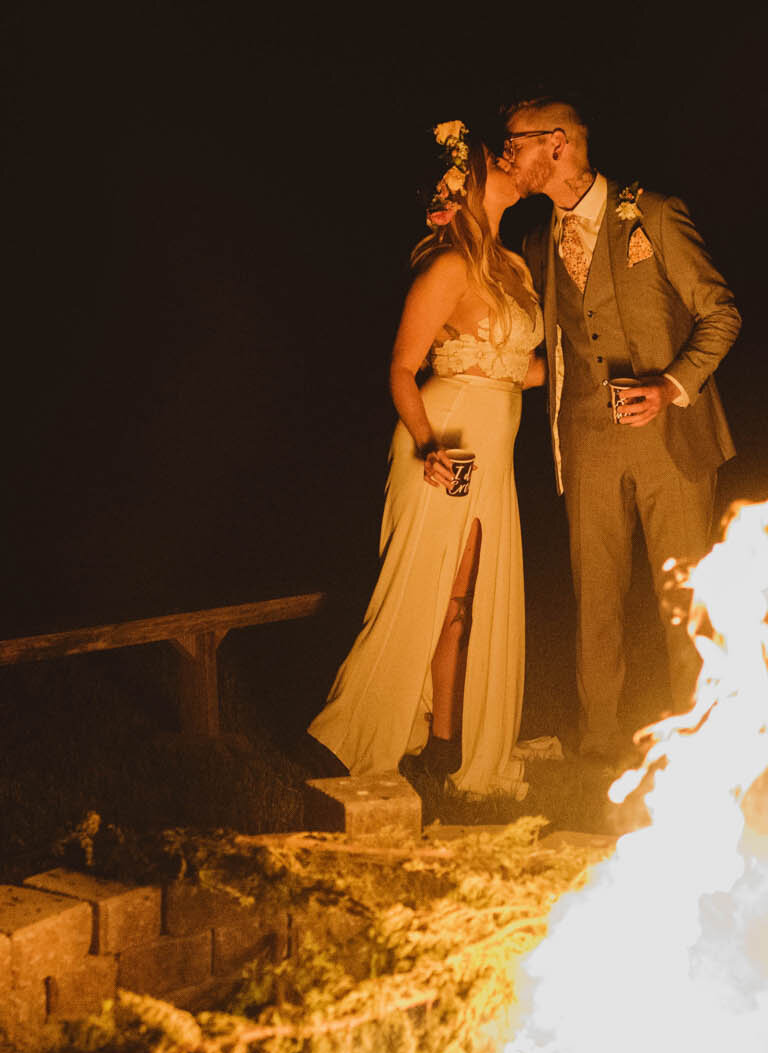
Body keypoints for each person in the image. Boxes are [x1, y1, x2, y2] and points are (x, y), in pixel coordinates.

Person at [497, 98, 740, 766]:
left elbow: (721, 314)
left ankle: (700, 742)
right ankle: (598, 739)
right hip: (586, 438)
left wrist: (670, 385)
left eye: (513, 143)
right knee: (593, 596)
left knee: (683, 598)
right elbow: (563, 344)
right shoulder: (536, 241)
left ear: (557, 144)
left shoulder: (654, 213)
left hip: (672, 437)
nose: (506, 156)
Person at [309, 121, 544, 797]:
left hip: (494, 441)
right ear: (466, 181)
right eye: (493, 162)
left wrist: (576, 361)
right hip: (450, 437)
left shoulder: (514, 265)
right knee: (427, 588)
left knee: (464, 597)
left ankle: (443, 741)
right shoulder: (448, 265)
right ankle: (356, 730)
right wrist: (428, 444)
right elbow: (402, 367)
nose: (508, 165)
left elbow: (516, 370)